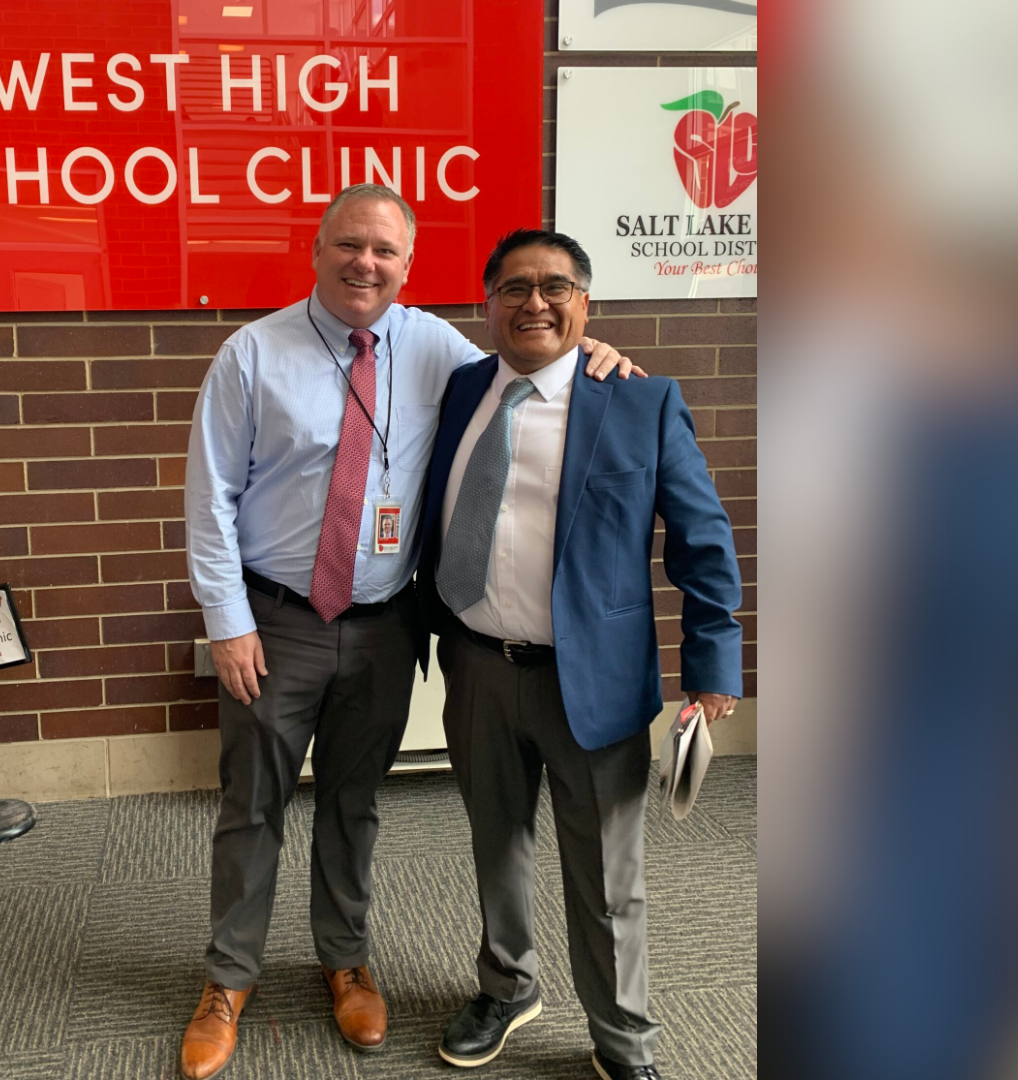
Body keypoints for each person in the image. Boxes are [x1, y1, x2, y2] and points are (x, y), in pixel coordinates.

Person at [179, 188, 642, 1079]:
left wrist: (593, 353)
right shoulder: (252, 354)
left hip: (389, 627)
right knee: (252, 806)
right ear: (316, 250)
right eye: (350, 245)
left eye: (385, 252)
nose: (366, 264)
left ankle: (344, 960)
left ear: (407, 264)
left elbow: (528, 365)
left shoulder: (434, 346)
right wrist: (226, 623)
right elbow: (210, 500)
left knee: (354, 804)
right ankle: (227, 979)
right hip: (276, 623)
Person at [417, 229, 742, 1080]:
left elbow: (703, 542)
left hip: (588, 682)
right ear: (486, 304)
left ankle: (623, 1038)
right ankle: (507, 985)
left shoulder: (640, 401)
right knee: (497, 843)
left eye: (556, 287)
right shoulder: (459, 391)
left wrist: (712, 666)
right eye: (514, 287)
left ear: (586, 304)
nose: (535, 302)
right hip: (478, 668)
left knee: (607, 877)